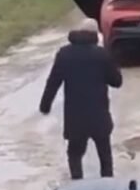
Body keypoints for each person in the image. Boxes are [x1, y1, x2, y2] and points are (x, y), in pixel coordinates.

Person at [38, 18, 123, 180]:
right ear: (95, 35)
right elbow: (117, 82)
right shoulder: (102, 54)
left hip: (75, 116)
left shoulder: (64, 54)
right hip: (99, 115)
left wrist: (45, 105)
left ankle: (77, 185)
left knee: (75, 154)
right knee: (105, 155)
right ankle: (108, 186)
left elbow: (53, 81)